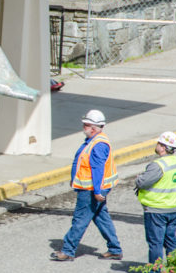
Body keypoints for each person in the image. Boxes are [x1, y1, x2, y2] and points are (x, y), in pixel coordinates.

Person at [51, 109, 123, 262]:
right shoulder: (93, 140)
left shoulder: (98, 145)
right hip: (93, 187)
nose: (83, 127)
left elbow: (97, 169)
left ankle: (68, 250)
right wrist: (74, 178)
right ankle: (115, 249)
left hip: (91, 189)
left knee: (80, 219)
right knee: (101, 217)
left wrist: (97, 191)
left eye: (86, 124)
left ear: (94, 127)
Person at [133, 131, 176, 273]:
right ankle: (174, 272)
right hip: (173, 208)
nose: (156, 145)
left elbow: (142, 182)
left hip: (156, 210)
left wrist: (139, 178)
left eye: (158, 143)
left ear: (163, 147)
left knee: (155, 242)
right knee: (171, 241)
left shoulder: (158, 165)